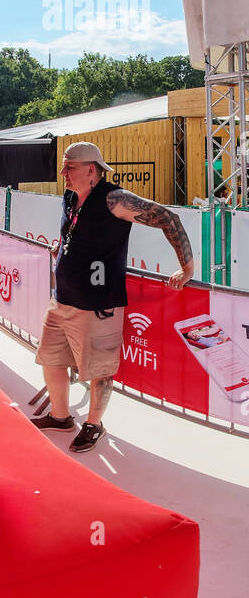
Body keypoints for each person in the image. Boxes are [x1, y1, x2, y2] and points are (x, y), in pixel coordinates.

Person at [35, 140, 194, 454]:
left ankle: (94, 424)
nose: (63, 172)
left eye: (70, 166)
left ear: (91, 170)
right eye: (64, 165)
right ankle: (61, 416)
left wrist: (187, 269)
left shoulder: (114, 198)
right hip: (62, 300)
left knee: (99, 371)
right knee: (51, 361)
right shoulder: (69, 197)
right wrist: (62, 246)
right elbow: (73, 229)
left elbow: (168, 219)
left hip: (98, 306)